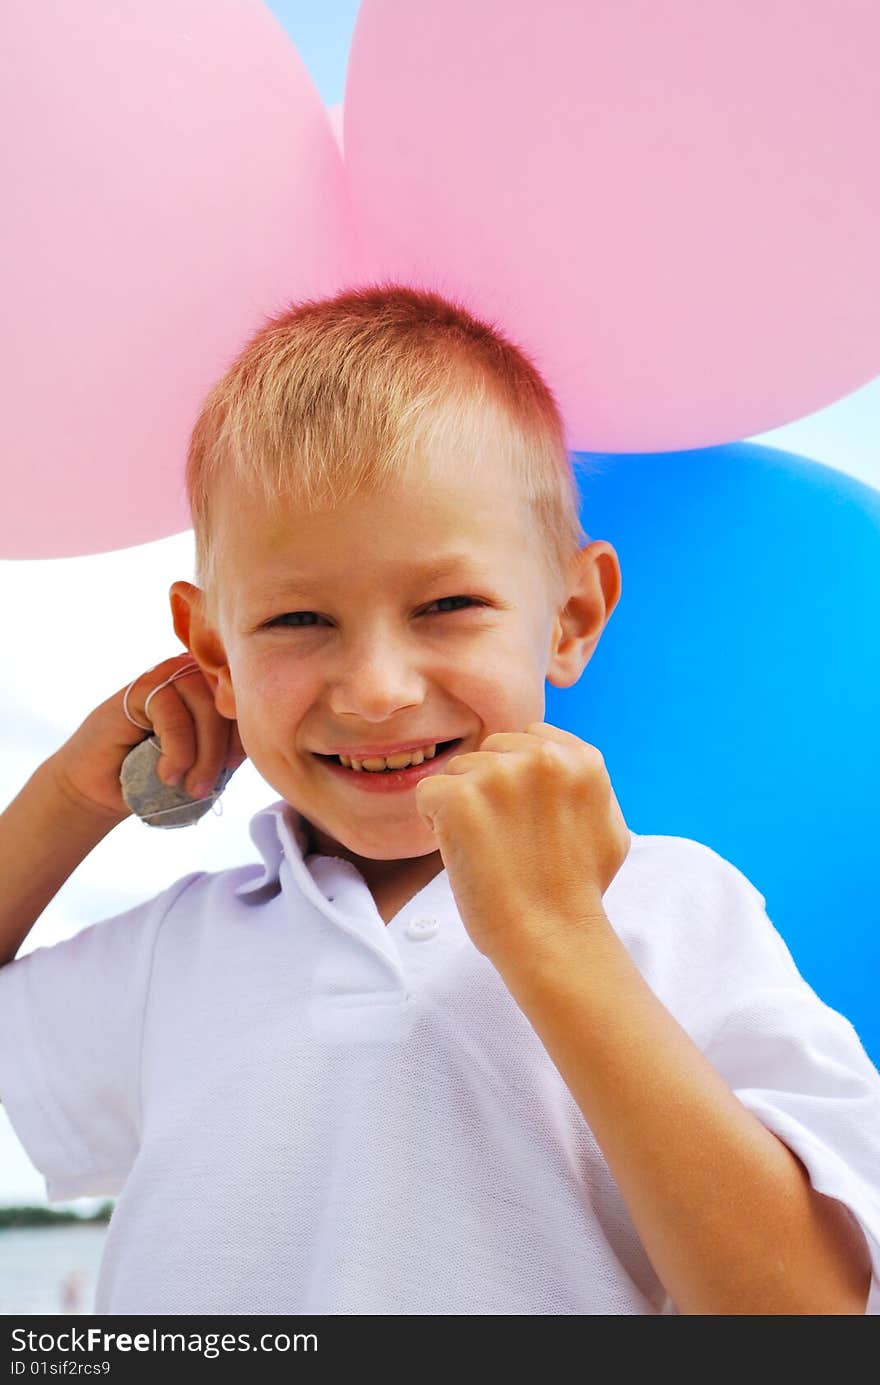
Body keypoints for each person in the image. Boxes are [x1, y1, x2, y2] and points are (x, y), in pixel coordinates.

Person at [0, 284, 878, 1316]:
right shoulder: (178, 950)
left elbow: (807, 1309)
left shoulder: (675, 906)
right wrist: (67, 794)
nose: (377, 687)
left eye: (447, 605)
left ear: (571, 614)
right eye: (296, 617)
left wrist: (553, 933)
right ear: (211, 652)